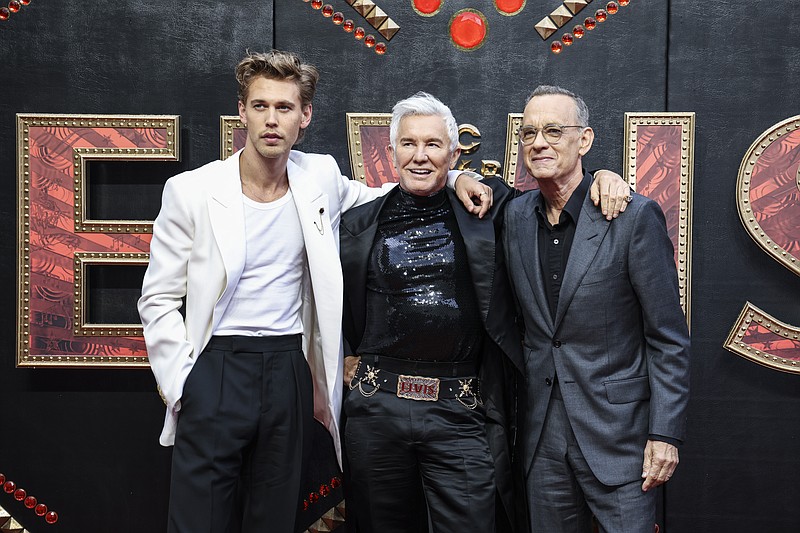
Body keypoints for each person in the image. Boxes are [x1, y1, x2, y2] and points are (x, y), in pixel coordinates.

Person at [137, 51, 491, 533]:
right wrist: (181, 384)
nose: (271, 119)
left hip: (288, 369)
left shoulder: (318, 177)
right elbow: (157, 298)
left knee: (276, 518)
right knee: (199, 520)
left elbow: (390, 194)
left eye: (284, 108)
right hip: (216, 368)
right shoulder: (191, 190)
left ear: (304, 117)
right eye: (259, 106)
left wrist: (454, 174)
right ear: (241, 112)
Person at [338, 92, 632, 532]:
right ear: (392, 149)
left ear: (454, 152)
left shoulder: (490, 211)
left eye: (434, 145)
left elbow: (555, 193)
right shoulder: (356, 223)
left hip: (459, 409)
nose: (420, 156)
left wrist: (603, 176)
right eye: (408, 143)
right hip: (377, 407)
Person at [502, 85, 691, 533]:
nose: (539, 142)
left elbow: (667, 337)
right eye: (528, 133)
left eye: (553, 130)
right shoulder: (513, 217)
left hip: (620, 438)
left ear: (583, 140)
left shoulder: (632, 216)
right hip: (541, 439)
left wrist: (665, 433)